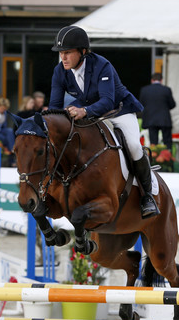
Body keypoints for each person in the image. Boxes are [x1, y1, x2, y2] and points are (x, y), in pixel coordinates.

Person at [48, 25, 158, 218]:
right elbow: (54, 107)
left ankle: (147, 196)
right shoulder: (60, 71)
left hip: (118, 110)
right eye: (61, 53)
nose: (63, 58)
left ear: (82, 52)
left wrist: (84, 111)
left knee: (133, 146)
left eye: (67, 53)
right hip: (89, 113)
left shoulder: (101, 65)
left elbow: (107, 100)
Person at [139, 72, 176, 149]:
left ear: (152, 80)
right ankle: (168, 159)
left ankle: (154, 159)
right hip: (164, 119)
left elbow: (141, 104)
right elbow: (172, 105)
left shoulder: (144, 90)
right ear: (161, 80)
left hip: (151, 119)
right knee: (167, 141)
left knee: (153, 142)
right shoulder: (166, 90)